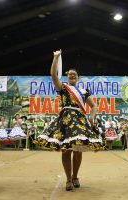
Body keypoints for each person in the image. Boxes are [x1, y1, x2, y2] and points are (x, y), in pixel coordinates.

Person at [34, 50, 103, 191]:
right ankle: (68, 179)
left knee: (78, 150)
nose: (72, 75)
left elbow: (94, 105)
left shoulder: (84, 91)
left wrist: (91, 117)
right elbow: (53, 74)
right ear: (66, 76)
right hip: (65, 120)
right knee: (66, 150)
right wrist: (56, 57)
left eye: (75, 74)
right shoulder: (63, 87)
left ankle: (76, 176)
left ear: (78, 77)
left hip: (79, 120)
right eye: (70, 74)